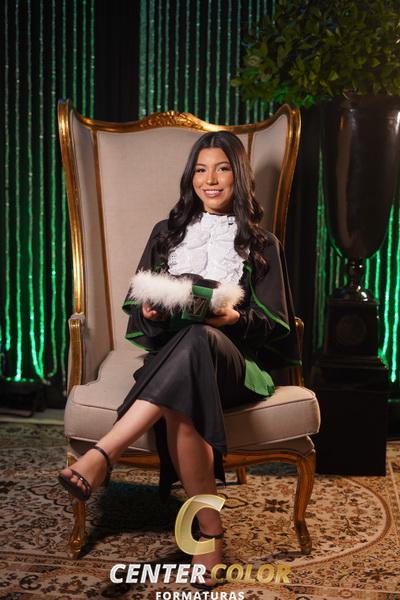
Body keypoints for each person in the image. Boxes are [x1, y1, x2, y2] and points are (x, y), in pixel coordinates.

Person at [58, 130, 300, 588]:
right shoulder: (165, 235)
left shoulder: (262, 243)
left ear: (239, 176)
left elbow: (277, 326)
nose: (211, 179)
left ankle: (104, 454)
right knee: (186, 369)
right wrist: (151, 311)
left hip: (234, 365)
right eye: (201, 170)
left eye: (222, 169)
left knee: (200, 338)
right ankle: (211, 535)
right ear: (191, 178)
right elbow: (139, 314)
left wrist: (234, 318)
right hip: (176, 362)